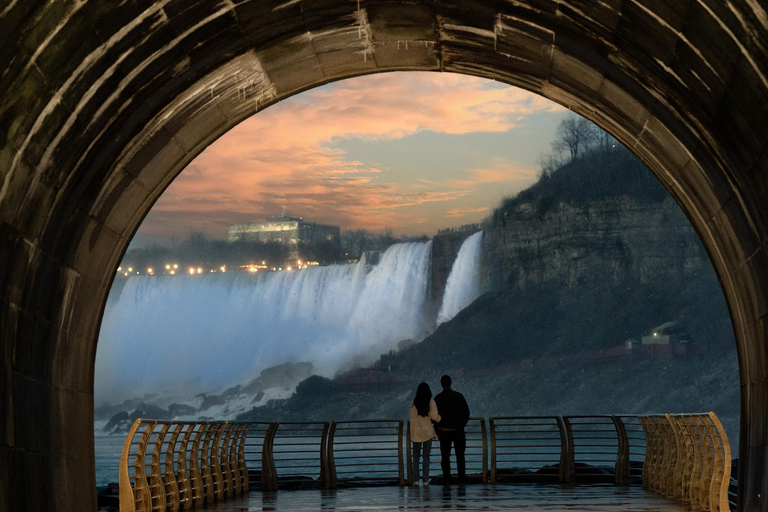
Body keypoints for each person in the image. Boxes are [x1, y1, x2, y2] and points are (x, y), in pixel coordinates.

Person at [434, 374, 470, 484]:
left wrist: (437, 431)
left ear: (441, 384)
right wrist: (462, 425)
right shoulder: (459, 396)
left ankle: (447, 479)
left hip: (444, 432)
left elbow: (434, 418)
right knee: (460, 456)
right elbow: (467, 412)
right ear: (451, 383)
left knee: (445, 457)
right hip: (458, 431)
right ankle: (461, 479)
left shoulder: (438, 398)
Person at [409, 382, 440, 487]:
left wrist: (412, 434)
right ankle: (426, 480)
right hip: (427, 433)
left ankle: (416, 480)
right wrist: (440, 418)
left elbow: (412, 419)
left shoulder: (413, 404)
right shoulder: (431, 403)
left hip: (416, 434)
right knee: (426, 456)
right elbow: (435, 417)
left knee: (416, 457)